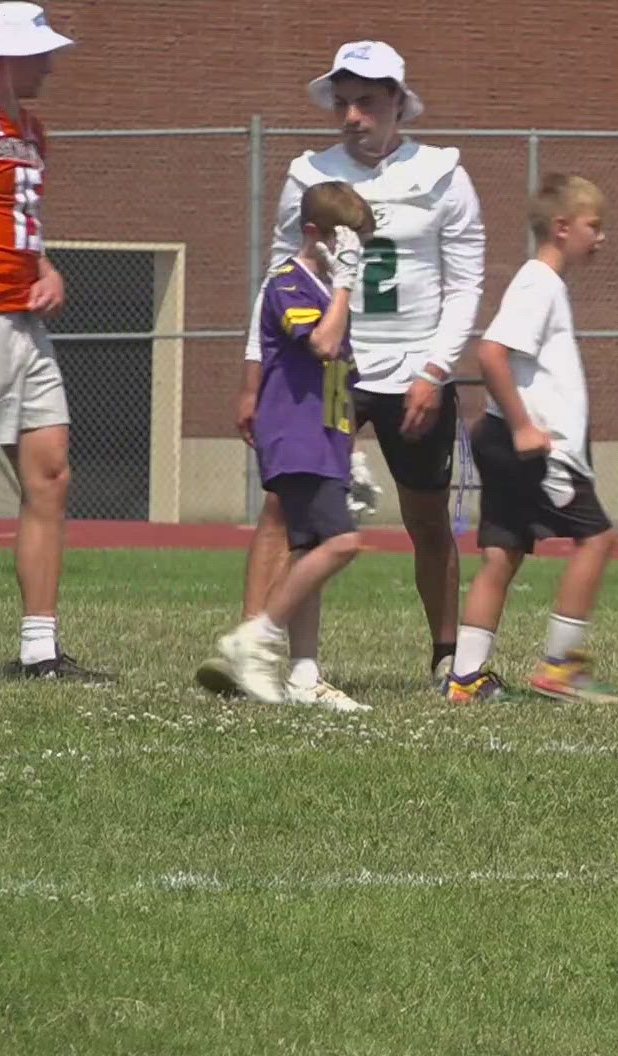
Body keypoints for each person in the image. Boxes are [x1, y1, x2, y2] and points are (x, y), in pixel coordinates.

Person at [219, 40, 485, 691]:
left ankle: (447, 658)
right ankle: (250, 650)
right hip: (327, 371)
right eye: (343, 103)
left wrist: (434, 370)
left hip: (412, 373)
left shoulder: (445, 173)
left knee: (427, 518)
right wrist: (253, 376)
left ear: (397, 101)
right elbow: (276, 276)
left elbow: (466, 284)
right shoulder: (309, 173)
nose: (352, 116)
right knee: (284, 506)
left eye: (366, 102)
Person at [0, 4, 100, 680]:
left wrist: (47, 267)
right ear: (7, 54)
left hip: (25, 324)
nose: (51, 64)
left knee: (51, 475)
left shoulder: (30, 129)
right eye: (41, 52)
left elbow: (18, 226)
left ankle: (39, 650)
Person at [440, 175, 618, 706]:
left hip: (503, 439)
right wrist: (524, 425)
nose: (602, 237)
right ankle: (560, 667)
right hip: (536, 450)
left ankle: (466, 678)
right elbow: (491, 353)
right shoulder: (538, 282)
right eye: (595, 226)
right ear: (562, 228)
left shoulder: (545, 284)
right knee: (598, 539)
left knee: (502, 554)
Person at [214, 183, 375, 705]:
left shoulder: (328, 291)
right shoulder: (289, 281)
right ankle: (255, 638)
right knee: (341, 544)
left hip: (326, 435)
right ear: (314, 234)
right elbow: (323, 345)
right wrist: (346, 286)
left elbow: (340, 374)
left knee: (308, 550)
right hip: (295, 433)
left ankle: (305, 675)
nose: (353, 256)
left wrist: (351, 448)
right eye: (346, 243)